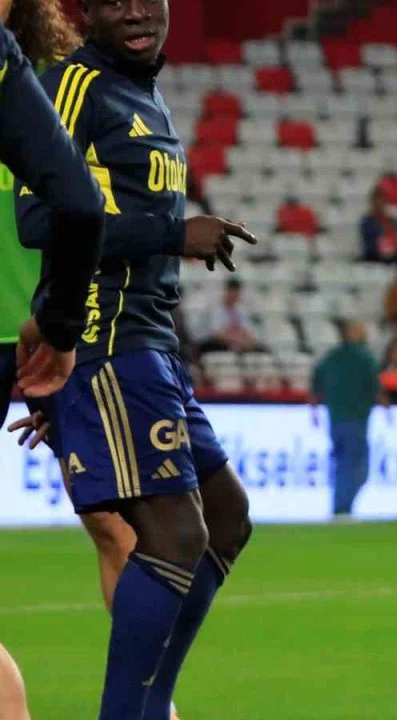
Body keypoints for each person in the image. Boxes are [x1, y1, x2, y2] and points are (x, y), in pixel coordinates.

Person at [17, 2, 259, 717]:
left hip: (151, 341)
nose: (134, 12)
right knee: (174, 535)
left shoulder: (144, 92)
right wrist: (171, 232)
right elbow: (39, 218)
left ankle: (151, 705)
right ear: (87, 10)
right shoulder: (74, 84)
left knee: (226, 518)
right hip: (103, 337)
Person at [0, 0, 106, 715]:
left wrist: (64, 328)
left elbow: (85, 206)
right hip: (33, 338)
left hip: (33, 337)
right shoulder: (24, 84)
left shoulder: (50, 83)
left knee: (126, 531)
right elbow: (80, 204)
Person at [312, 320, 385, 518]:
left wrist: (315, 411)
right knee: (356, 468)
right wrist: (386, 408)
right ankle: (342, 508)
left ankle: (341, 506)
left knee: (342, 465)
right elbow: (377, 387)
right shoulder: (365, 358)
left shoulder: (331, 358)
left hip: (335, 420)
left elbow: (316, 383)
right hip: (357, 419)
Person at [197, 277, 259, 353]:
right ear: (226, 292)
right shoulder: (214, 309)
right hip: (212, 343)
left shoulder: (241, 310)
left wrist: (246, 341)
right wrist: (237, 340)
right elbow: (217, 334)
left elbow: (247, 331)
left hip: (234, 343)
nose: (234, 296)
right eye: (232, 292)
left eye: (236, 293)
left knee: (260, 349)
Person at [360, 186, 397, 263]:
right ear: (372, 202)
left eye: (382, 200)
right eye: (377, 200)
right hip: (376, 254)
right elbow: (370, 243)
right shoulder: (367, 221)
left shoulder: (391, 219)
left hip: (394, 252)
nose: (380, 203)